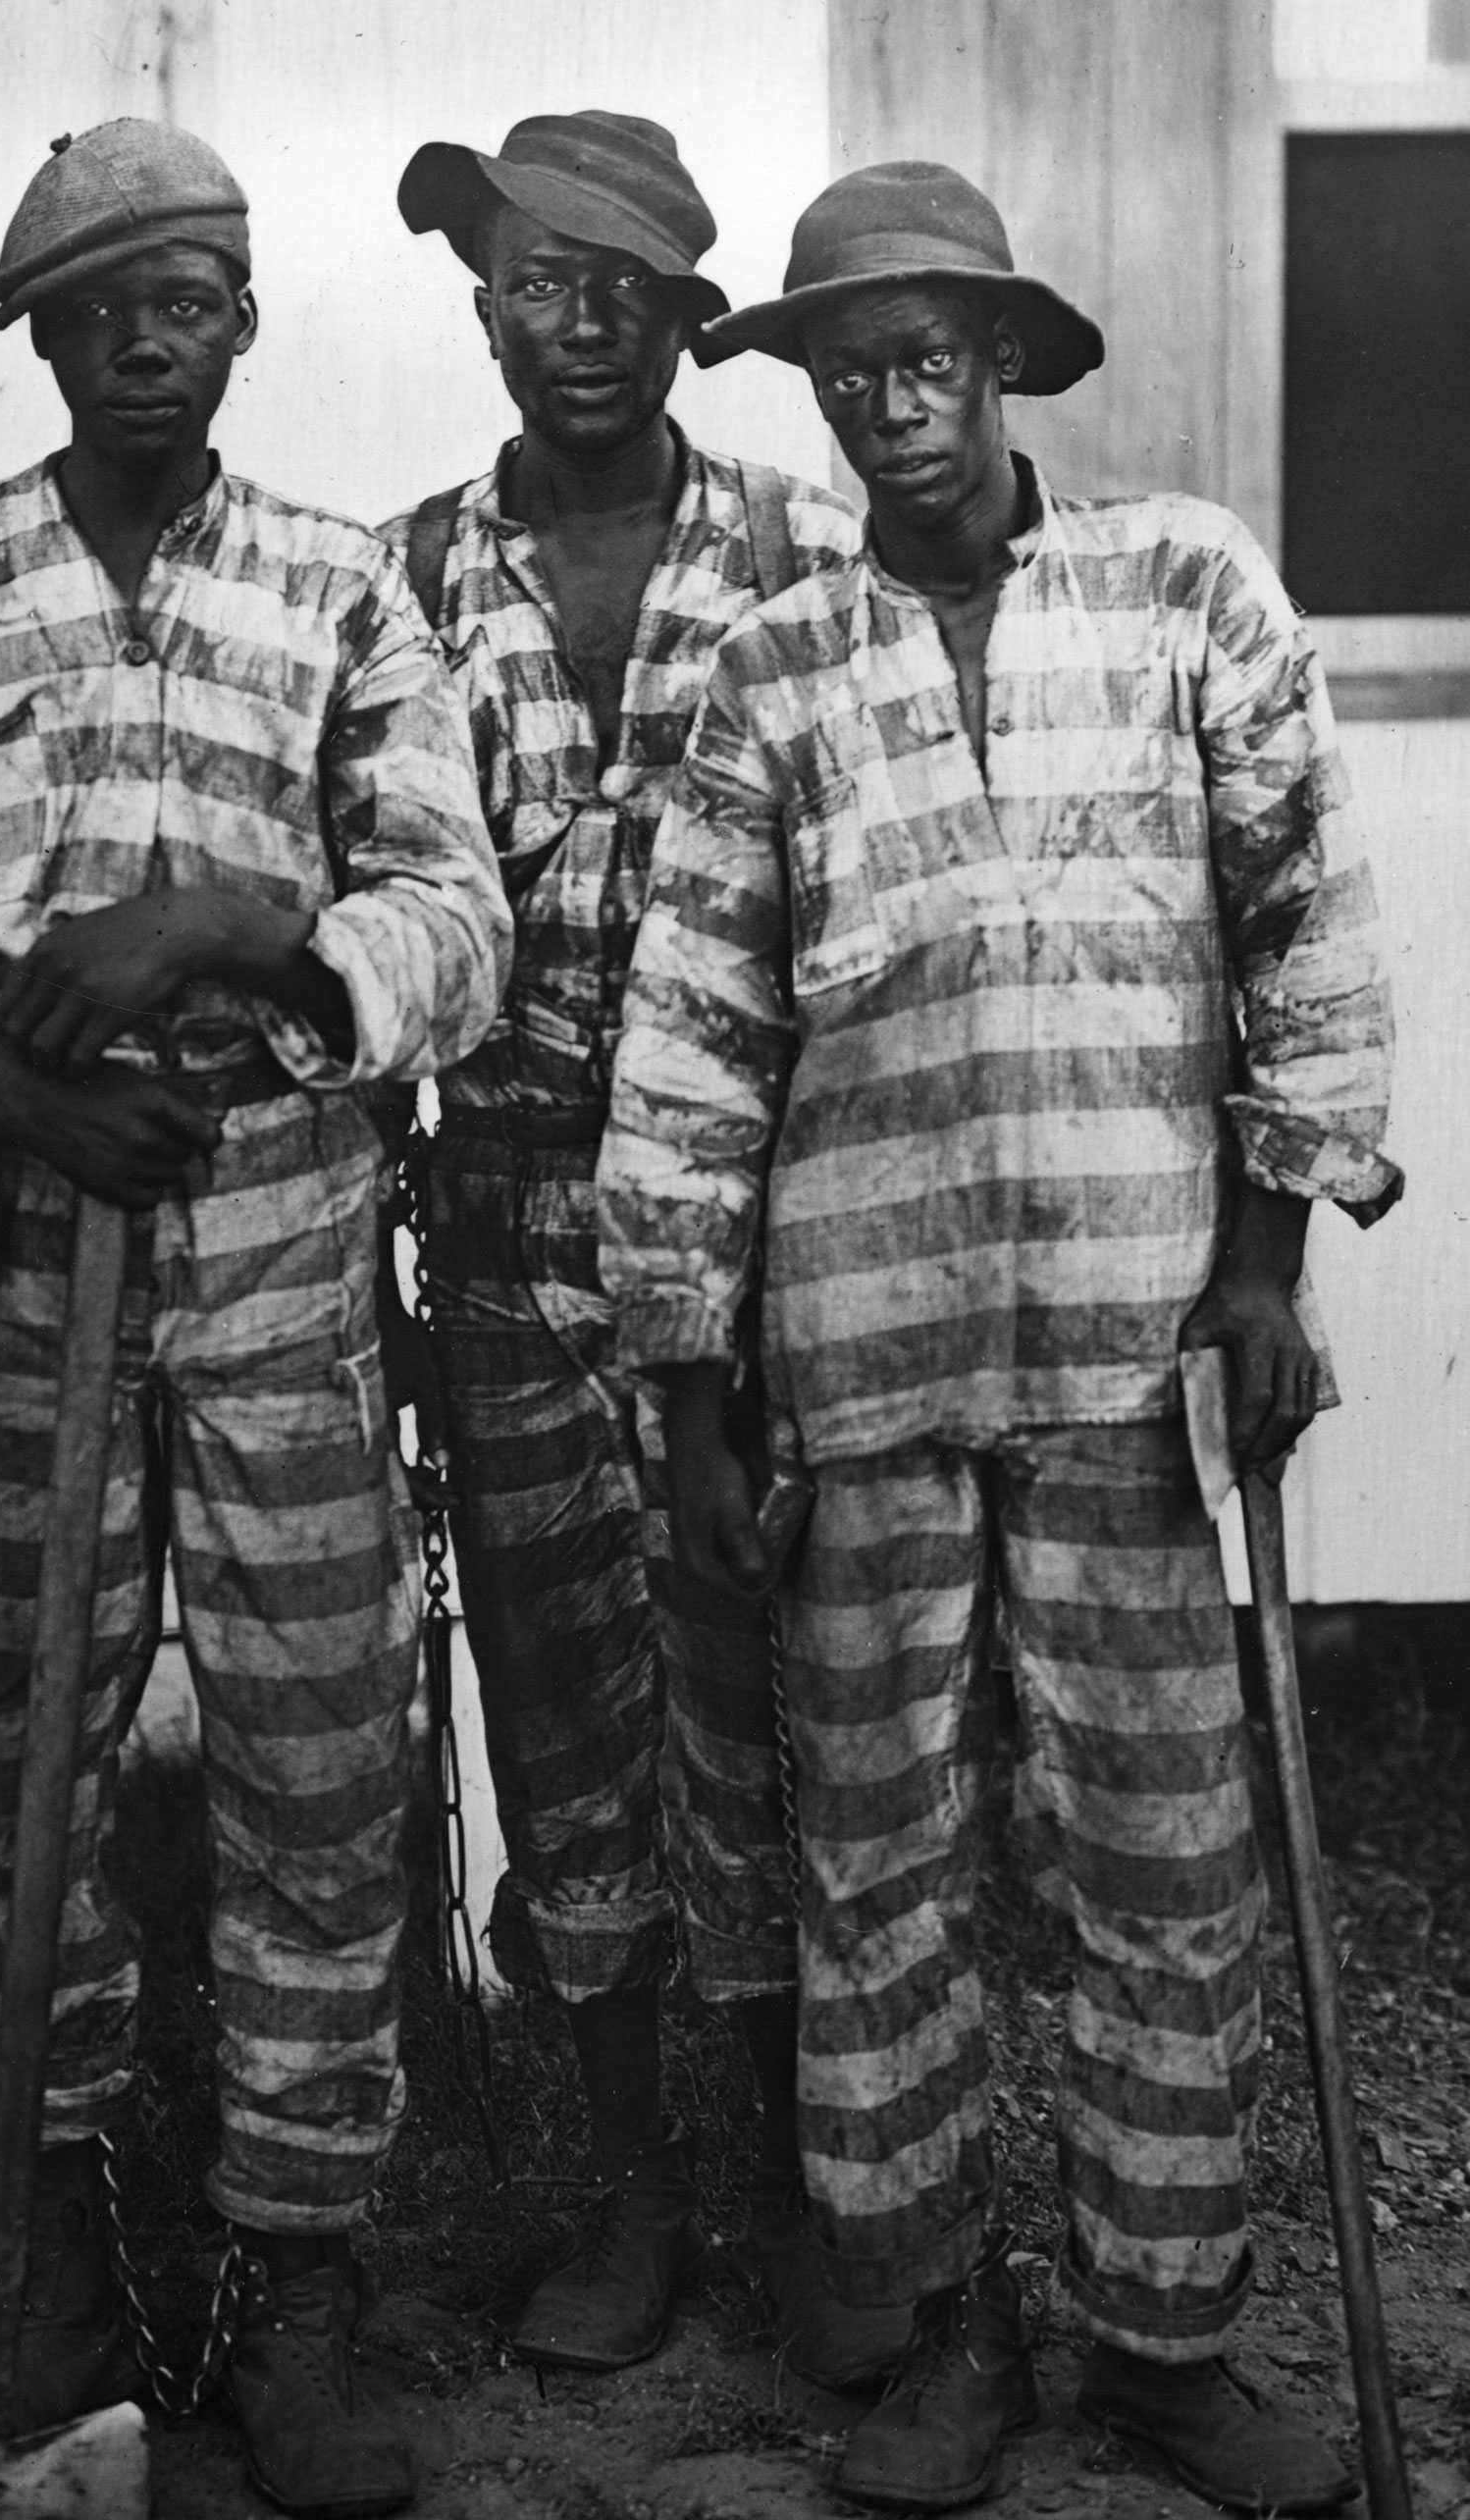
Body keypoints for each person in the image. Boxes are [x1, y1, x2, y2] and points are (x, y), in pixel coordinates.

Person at [0, 122, 508, 2520]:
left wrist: (230, 942)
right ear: (38, 340)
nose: (144, 343)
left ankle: (292, 2276)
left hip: (273, 1280)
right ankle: (39, 2254)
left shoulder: (344, 593)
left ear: (247, 323)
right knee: (12, 1759)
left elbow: (454, 915)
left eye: (185, 301)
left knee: (311, 1773)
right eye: (95, 311)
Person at [599, 162, 1399, 2515]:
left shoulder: (1183, 588)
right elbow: (692, 1047)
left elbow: (1310, 934)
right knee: (879, 1859)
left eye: (928, 351)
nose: (888, 397)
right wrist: (689, 1394)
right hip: (856, 1372)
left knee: (1159, 1857)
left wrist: (1265, 1264)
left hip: (1144, 1353)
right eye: (846, 366)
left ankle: (1162, 2344)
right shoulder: (770, 675)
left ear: (1008, 362)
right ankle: (938, 2323)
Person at [378, 111, 902, 2389]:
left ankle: (808, 2197)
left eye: (618, 288)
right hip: (498, 1239)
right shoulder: (400, 573)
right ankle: (622, 2202)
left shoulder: (807, 553)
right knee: (569, 1715)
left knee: (770, 1713)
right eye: (529, 281)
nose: (571, 325)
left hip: (760, 1250)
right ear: (483, 302)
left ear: (693, 317)